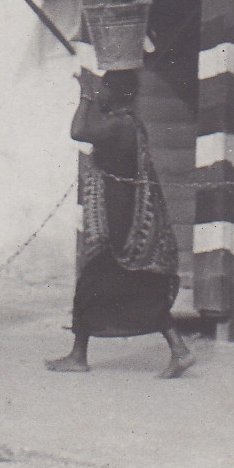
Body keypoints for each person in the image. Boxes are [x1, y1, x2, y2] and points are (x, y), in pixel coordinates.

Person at [45, 51, 194, 378]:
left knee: (90, 284)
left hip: (117, 221)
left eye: (105, 88)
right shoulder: (129, 123)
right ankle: (177, 349)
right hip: (124, 217)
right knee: (132, 287)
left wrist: (84, 95)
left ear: (118, 93)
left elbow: (78, 131)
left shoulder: (118, 126)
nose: (101, 92)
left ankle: (79, 355)